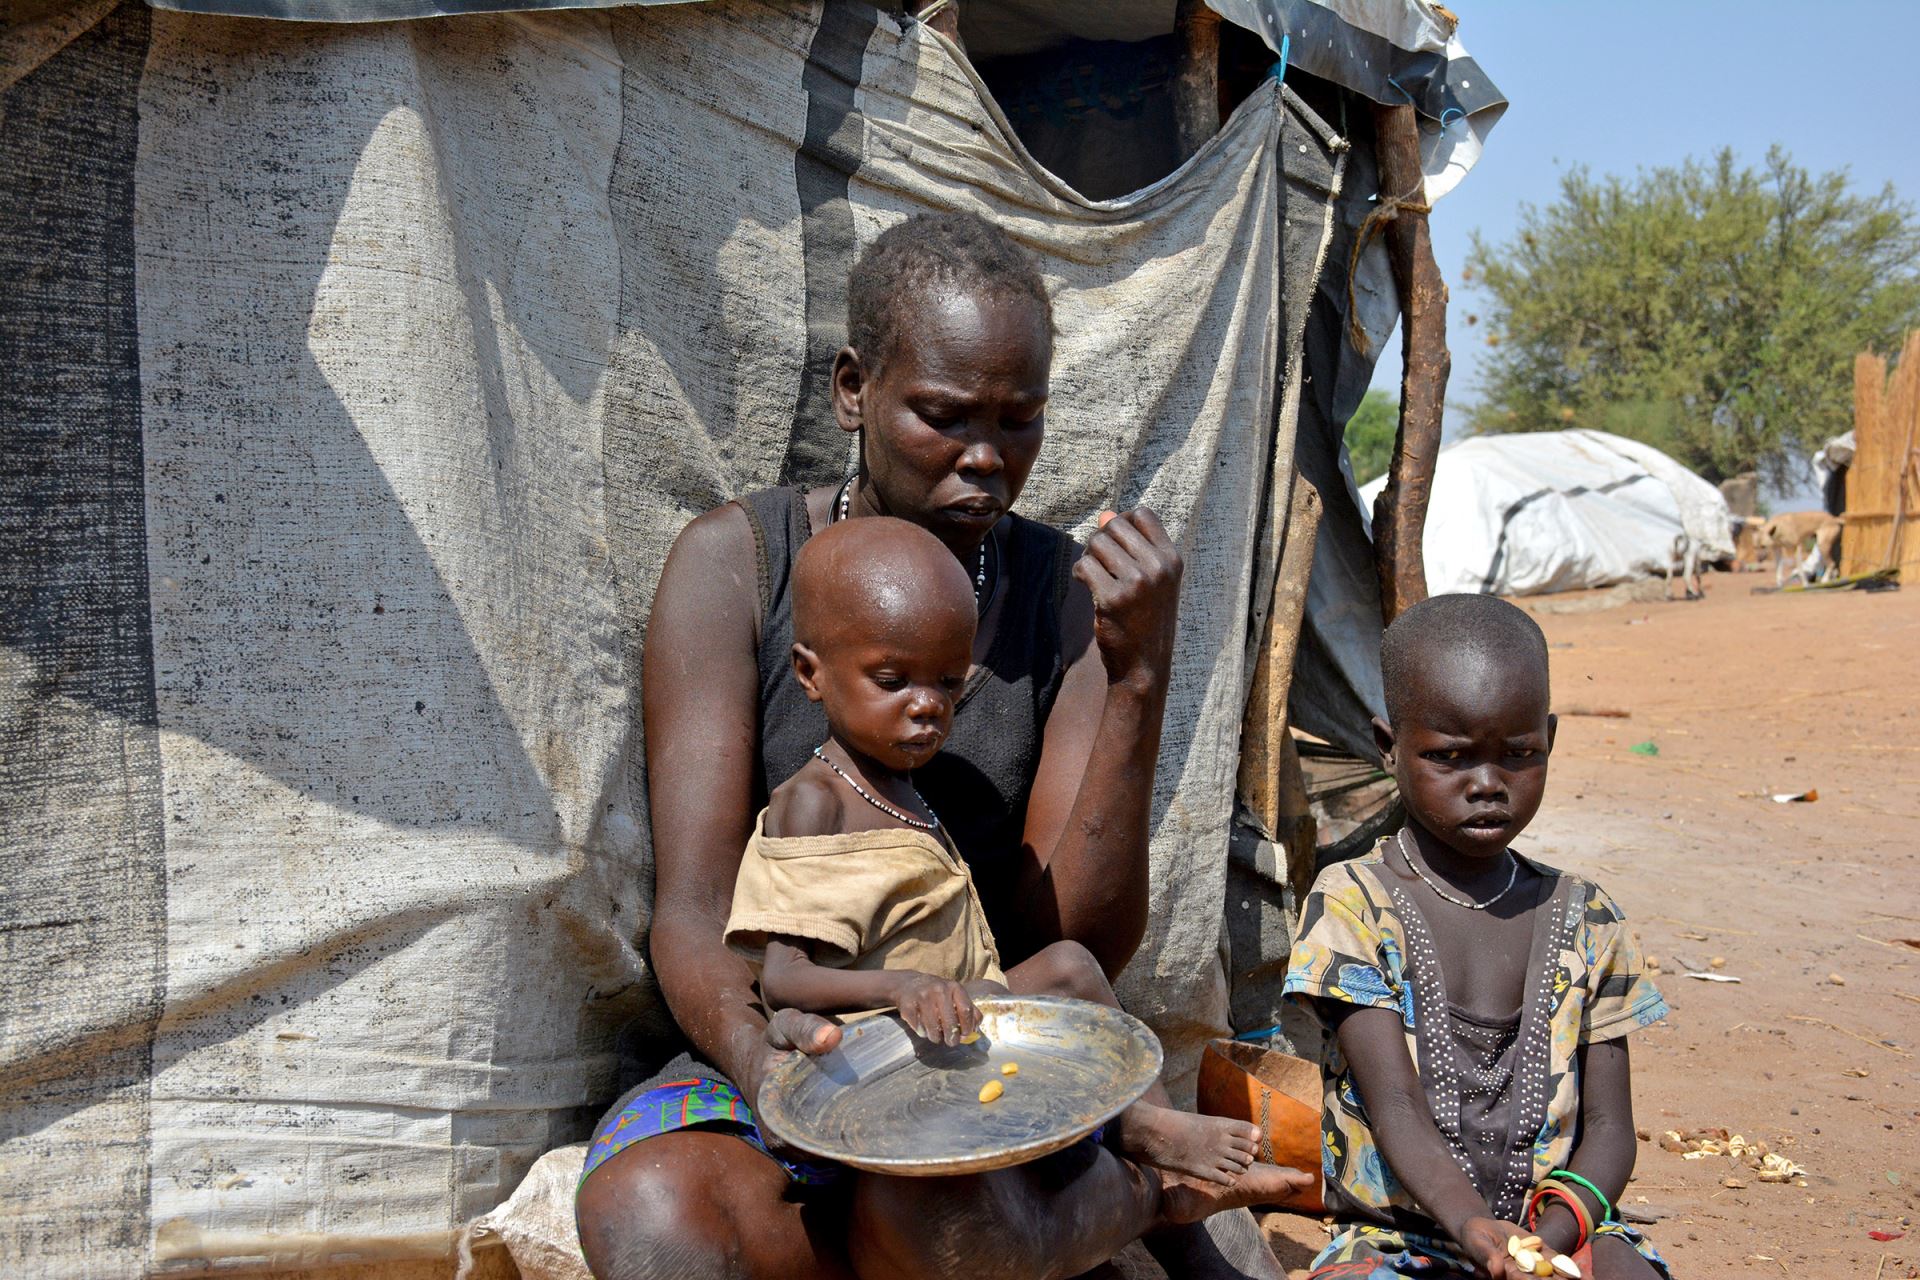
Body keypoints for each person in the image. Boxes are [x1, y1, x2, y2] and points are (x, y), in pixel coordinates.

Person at [575, 211, 1290, 1279]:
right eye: (945, 417)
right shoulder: (736, 566)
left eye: (1020, 422)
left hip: (981, 1035)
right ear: (854, 387)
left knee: (946, 1232)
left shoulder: (1064, 596)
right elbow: (694, 907)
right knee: (651, 1217)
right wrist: (758, 1061)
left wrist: (1136, 675)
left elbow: (1083, 935)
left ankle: (1136, 1196)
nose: (987, 461)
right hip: (788, 1031)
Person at [726, 514, 1308, 1198]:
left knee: (1068, 967)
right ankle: (1141, 1135)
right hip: (870, 1048)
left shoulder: (905, 791)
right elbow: (785, 981)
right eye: (893, 681)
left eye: (945, 683)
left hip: (948, 1020)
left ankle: (1158, 1145)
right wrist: (903, 988)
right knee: (1055, 1004)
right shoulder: (813, 803)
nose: (926, 707)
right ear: (809, 674)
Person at [1284, 594, 1672, 1280]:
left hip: (1553, 1239)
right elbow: (1395, 1105)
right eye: (1451, 757)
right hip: (1402, 1239)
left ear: (1549, 738)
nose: (1488, 784)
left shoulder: (1588, 920)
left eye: (1519, 754)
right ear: (1387, 748)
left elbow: (1611, 1131)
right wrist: (1473, 1229)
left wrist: (1544, 1242)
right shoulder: (1353, 906)